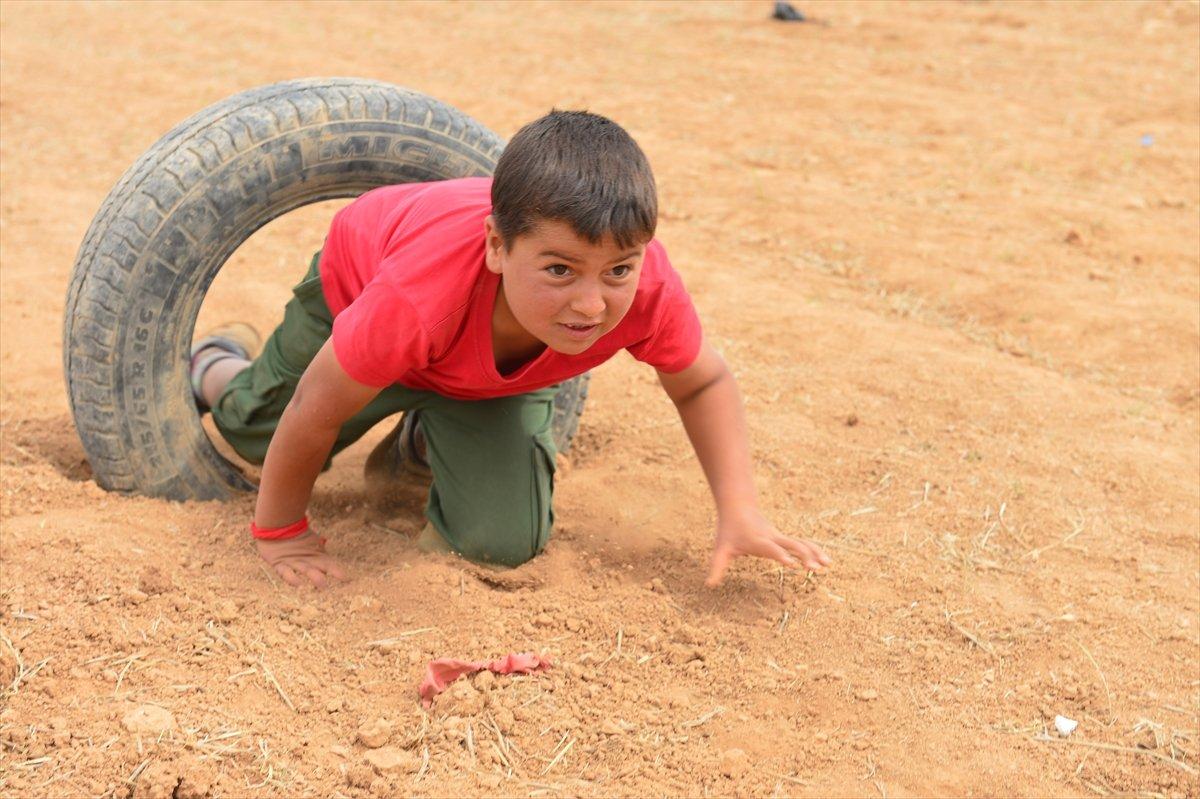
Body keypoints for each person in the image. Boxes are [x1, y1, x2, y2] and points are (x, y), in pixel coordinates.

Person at [190, 110, 832, 590]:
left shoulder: (646, 289)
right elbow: (314, 407)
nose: (591, 304)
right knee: (254, 432)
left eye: (617, 270)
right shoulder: (415, 296)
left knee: (499, 543)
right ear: (498, 246)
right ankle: (218, 363)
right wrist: (282, 535)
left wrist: (740, 509)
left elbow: (702, 383)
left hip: (481, 376)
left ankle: (425, 437)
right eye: (560, 269)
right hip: (360, 301)